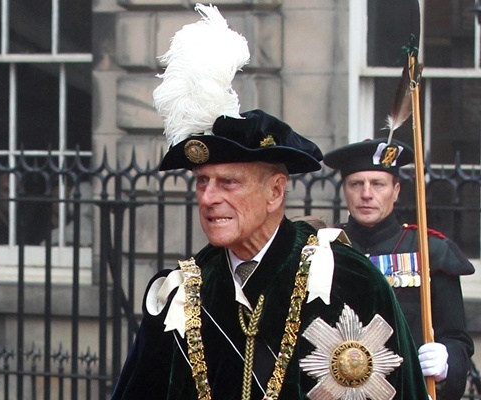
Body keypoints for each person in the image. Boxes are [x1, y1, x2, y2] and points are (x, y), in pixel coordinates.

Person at [111, 5, 428, 399]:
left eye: (229, 182)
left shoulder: (347, 279)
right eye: (202, 182)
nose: (210, 198)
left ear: (275, 191)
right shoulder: (181, 293)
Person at [324, 138, 475, 399]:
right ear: (345, 190)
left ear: (395, 190)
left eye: (378, 184)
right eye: (356, 184)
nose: (366, 194)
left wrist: (445, 362)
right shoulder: (324, 249)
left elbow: (456, 337)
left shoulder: (430, 252)